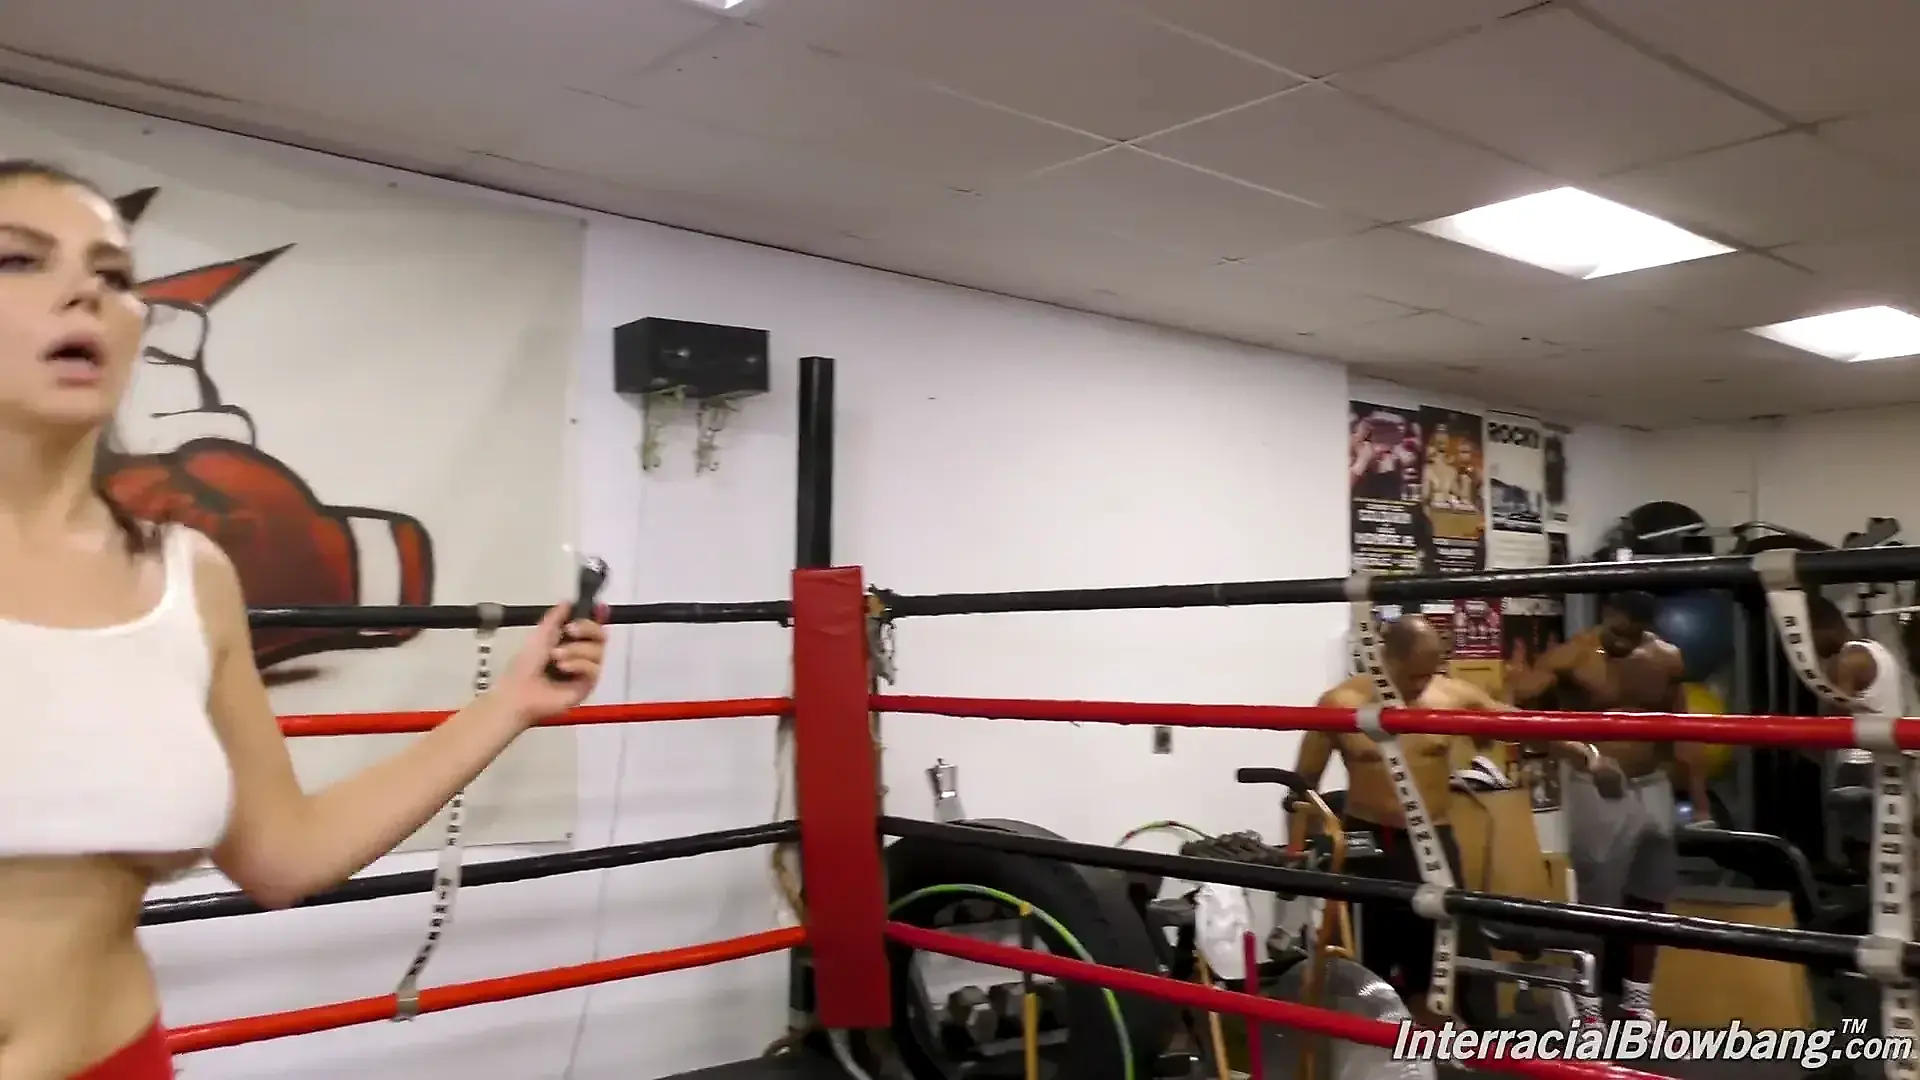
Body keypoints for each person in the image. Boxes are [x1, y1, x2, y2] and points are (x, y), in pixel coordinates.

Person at [0, 159, 610, 1080]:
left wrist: (511, 706)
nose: (86, 291)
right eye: (18, 259)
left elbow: (284, 857)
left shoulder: (188, 575)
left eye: (115, 274)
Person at [1294, 614, 1569, 1024]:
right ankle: (1369, 1049)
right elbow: (1303, 786)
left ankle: (1456, 1048)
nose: (1422, 684)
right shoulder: (1341, 703)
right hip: (1370, 846)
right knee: (1364, 966)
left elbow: (1513, 722)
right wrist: (1299, 854)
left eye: (1430, 673)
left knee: (1451, 960)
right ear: (1386, 659)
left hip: (1434, 844)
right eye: (1414, 675)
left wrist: (1578, 747)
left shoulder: (1451, 696)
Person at [1505, 590, 1709, 1021]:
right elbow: (1524, 703)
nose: (1621, 640)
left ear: (1647, 628)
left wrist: (1700, 801)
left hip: (1653, 783)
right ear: (1606, 613)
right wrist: (1518, 677)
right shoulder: (1574, 655)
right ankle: (1589, 1004)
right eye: (1616, 629)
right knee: (1597, 899)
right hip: (1594, 783)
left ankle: (1638, 1002)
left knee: (1651, 898)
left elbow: (1683, 726)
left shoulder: (1666, 658)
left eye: (1632, 633)